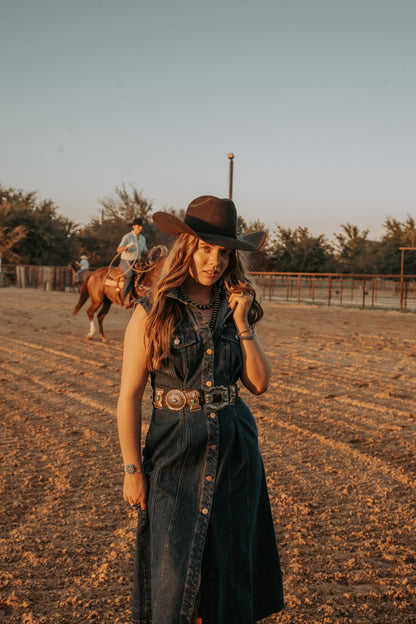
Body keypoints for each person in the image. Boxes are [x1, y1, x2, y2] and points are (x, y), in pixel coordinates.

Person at [117, 195, 284, 624]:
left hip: (235, 455)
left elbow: (260, 383)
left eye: (223, 253)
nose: (215, 261)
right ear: (186, 248)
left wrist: (243, 322)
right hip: (174, 451)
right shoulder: (152, 311)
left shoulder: (236, 308)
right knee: (174, 575)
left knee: (228, 573)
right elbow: (129, 396)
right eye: (206, 249)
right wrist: (132, 470)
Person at [117, 217, 148, 306]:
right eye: (138, 226)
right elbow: (118, 250)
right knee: (129, 275)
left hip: (137, 261)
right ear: (133, 226)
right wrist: (127, 246)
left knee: (145, 274)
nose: (140, 228)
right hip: (126, 260)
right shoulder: (127, 237)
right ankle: (125, 297)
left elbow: (144, 252)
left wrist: (154, 251)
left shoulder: (142, 238)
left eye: (141, 226)